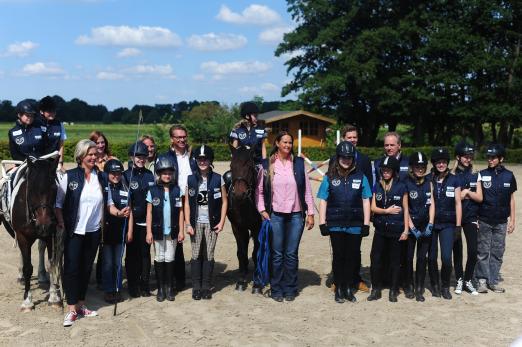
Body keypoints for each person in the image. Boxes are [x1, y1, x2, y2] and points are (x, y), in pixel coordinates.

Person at [256, 131, 315, 302]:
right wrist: (262, 209)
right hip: (275, 215)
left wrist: (310, 213)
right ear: (277, 143)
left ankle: (290, 288)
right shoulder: (267, 165)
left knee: (291, 254)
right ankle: (276, 288)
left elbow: (307, 191)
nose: (288, 146)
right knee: (277, 254)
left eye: (290, 142)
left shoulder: (298, 164)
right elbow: (259, 191)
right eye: (284, 142)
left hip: (296, 215)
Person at [55, 139, 103, 327]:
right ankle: (72, 309)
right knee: (72, 269)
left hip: (93, 231)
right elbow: (58, 203)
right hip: (74, 230)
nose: (93, 157)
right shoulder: (70, 176)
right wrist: (61, 222)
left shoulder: (102, 177)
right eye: (89, 154)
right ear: (81, 156)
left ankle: (82, 305)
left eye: (95, 154)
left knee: (86, 268)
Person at [317, 141, 371, 303]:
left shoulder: (361, 177)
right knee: (339, 256)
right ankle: (339, 287)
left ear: (353, 158)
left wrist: (366, 224)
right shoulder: (329, 177)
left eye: (349, 158)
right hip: (335, 224)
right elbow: (323, 201)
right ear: (338, 157)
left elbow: (366, 200)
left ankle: (349, 287)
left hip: (355, 224)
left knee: (352, 257)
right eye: (343, 157)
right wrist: (322, 223)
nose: (346, 160)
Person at [184, 145, 228, 300]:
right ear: (196, 160)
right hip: (195, 222)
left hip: (212, 222)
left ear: (210, 160)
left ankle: (206, 286)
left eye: (205, 159)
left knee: (209, 254)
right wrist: (188, 224)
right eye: (200, 159)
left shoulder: (218, 178)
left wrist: (222, 221)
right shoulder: (190, 179)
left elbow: (224, 201)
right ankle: (196, 286)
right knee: (196, 254)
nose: (202, 162)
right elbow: (187, 204)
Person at [475, 144, 517, 293]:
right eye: (488, 157)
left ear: (501, 158)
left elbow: (511, 199)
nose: (490, 160)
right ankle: (481, 280)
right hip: (484, 219)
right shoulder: (481, 174)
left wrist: (512, 220)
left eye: (493, 157)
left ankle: (493, 281)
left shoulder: (509, 176)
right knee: (483, 251)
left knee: (498, 251)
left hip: (501, 222)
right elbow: (476, 199)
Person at [367, 156, 409, 302]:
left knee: (395, 261)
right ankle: (376, 289)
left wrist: (406, 230)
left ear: (394, 171)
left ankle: (393, 289)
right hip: (380, 229)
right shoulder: (377, 186)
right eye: (383, 170)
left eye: (388, 170)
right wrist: (386, 211)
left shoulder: (401, 186)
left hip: (396, 229)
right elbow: (373, 207)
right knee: (375, 258)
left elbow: (405, 208)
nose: (385, 172)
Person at [162, 124, 197, 291]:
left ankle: (198, 277)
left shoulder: (194, 157)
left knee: (196, 238)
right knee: (176, 241)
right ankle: (177, 280)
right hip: (175, 201)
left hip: (193, 201)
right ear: (172, 139)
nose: (182, 139)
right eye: (178, 137)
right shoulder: (165, 157)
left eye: (184, 136)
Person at [145, 156, 184, 302]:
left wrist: (181, 230)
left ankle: (169, 287)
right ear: (159, 174)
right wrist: (148, 231)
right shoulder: (153, 190)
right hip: (157, 230)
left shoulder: (177, 190)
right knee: (159, 257)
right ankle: (161, 288)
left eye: (169, 173)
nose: (167, 175)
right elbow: (148, 212)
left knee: (170, 258)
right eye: (164, 173)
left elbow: (181, 211)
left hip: (172, 230)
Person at [339, 124, 373, 293]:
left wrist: (369, 214)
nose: (352, 140)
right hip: (339, 212)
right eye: (349, 137)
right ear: (343, 138)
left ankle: (355, 278)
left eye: (354, 137)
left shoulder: (365, 160)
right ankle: (339, 280)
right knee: (339, 248)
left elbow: (369, 188)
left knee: (355, 248)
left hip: (358, 212)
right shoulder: (335, 158)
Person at [429, 147, 462, 300]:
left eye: (443, 162)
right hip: (432, 223)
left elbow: (457, 203)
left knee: (447, 258)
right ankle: (435, 285)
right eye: (438, 162)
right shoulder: (429, 178)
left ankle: (445, 285)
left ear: (447, 163)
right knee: (431, 258)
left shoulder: (454, 179)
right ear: (434, 163)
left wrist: (458, 225)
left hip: (448, 223)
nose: (441, 164)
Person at [124, 141, 155, 298]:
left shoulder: (150, 176)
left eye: (143, 156)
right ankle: (132, 284)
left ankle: (145, 284)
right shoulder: (126, 175)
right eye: (138, 156)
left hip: (146, 222)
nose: (141, 159)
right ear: (132, 157)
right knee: (132, 255)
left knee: (145, 254)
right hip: (131, 222)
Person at [452, 142, 482, 295]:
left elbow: (480, 197)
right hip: (455, 218)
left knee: (473, 250)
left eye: (470, 156)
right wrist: (459, 194)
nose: (468, 159)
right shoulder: (452, 175)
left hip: (470, 216)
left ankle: (468, 280)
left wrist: (467, 193)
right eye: (465, 156)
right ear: (458, 157)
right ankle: (459, 278)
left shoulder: (476, 174)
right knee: (457, 250)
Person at [404, 152, 435, 302]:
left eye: (422, 166)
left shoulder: (429, 181)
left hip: (425, 225)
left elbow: (432, 203)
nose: (420, 169)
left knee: (422, 258)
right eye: (417, 166)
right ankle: (409, 285)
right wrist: (411, 227)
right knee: (409, 258)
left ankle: (419, 287)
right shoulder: (406, 182)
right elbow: (405, 208)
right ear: (412, 167)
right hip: (411, 225)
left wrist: (430, 224)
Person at [101, 159, 130, 304]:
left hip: (120, 231)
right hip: (106, 231)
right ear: (107, 173)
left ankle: (117, 288)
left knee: (118, 262)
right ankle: (108, 289)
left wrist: (129, 230)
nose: (116, 176)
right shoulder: (103, 187)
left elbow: (129, 210)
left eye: (118, 173)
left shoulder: (125, 186)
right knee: (108, 262)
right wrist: (118, 212)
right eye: (113, 173)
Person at [229, 101, 267, 166]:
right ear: (247, 116)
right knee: (228, 176)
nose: (256, 118)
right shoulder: (237, 130)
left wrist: (264, 163)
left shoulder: (261, 130)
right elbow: (234, 149)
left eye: (257, 116)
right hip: (242, 164)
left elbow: (263, 148)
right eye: (255, 116)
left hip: (258, 163)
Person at [37, 96, 67, 170]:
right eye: (49, 111)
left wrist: (60, 163)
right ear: (41, 111)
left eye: (54, 111)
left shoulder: (59, 125)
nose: (52, 113)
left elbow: (61, 145)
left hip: (54, 161)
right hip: (37, 161)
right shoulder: (35, 124)